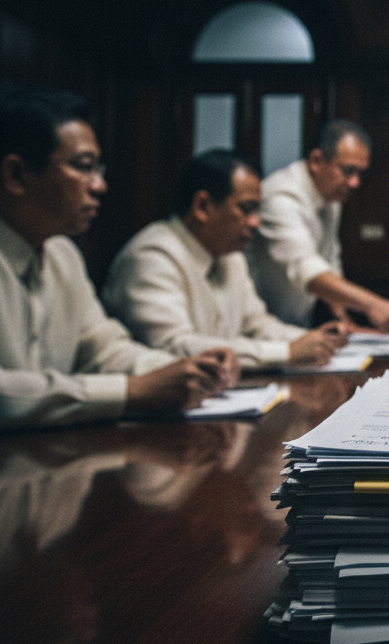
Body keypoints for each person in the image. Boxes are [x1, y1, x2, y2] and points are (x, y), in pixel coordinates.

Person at [0, 83, 235, 430]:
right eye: (83, 167)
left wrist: (184, 369)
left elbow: (103, 347)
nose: (99, 186)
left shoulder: (62, 252)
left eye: (99, 170)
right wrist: (130, 390)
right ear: (16, 175)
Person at [103, 150, 348, 370]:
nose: (255, 222)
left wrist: (313, 339)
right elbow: (174, 346)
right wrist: (286, 352)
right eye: (246, 209)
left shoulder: (230, 255)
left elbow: (257, 324)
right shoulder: (152, 256)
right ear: (202, 206)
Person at [246, 120, 389, 332]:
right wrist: (374, 304)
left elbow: (329, 262)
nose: (355, 183)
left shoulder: (331, 198)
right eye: (348, 171)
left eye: (360, 173)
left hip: (295, 327)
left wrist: (344, 321)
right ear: (316, 161)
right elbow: (306, 268)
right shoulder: (281, 197)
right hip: (258, 329)